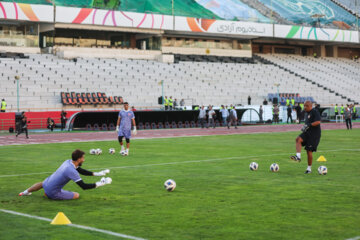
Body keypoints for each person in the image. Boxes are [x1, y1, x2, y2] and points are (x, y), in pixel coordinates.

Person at [19, 149, 112, 199]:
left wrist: (99, 174)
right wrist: (102, 183)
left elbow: (82, 171)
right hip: (52, 191)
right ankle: (49, 195)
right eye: (83, 158)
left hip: (46, 184)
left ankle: (24, 192)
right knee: (76, 195)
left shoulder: (68, 162)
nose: (84, 159)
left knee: (43, 183)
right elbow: (83, 186)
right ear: (79, 159)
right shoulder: (71, 170)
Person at [291, 101, 321, 174]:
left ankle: (309, 169)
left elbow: (318, 122)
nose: (305, 107)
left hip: (314, 135)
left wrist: (309, 125)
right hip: (307, 133)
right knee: (298, 139)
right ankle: (298, 156)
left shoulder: (315, 112)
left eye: (306, 106)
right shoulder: (306, 113)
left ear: (310, 106)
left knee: (309, 151)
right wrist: (304, 126)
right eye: (304, 106)